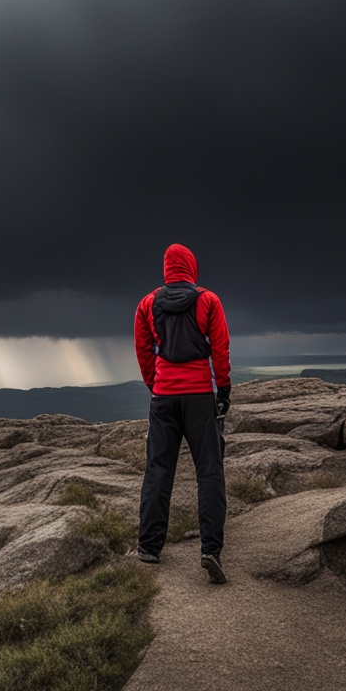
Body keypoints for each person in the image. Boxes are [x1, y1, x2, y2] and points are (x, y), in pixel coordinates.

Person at [132, 243, 231, 584]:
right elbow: (220, 348)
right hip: (200, 396)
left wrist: (154, 385)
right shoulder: (208, 301)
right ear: (191, 266)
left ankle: (149, 547)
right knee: (209, 472)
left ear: (166, 269)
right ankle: (211, 551)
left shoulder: (147, 304)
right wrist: (225, 389)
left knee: (158, 470)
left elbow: (144, 351)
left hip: (163, 397)